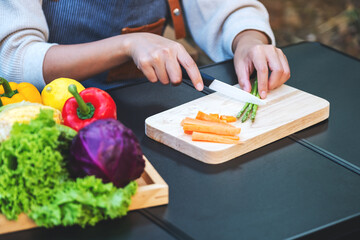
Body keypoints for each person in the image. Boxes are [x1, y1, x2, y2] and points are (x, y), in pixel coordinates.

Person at [0, 0, 290, 99]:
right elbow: (14, 57)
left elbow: (227, 8)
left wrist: (250, 41)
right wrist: (127, 45)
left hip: (148, 108)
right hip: (51, 114)